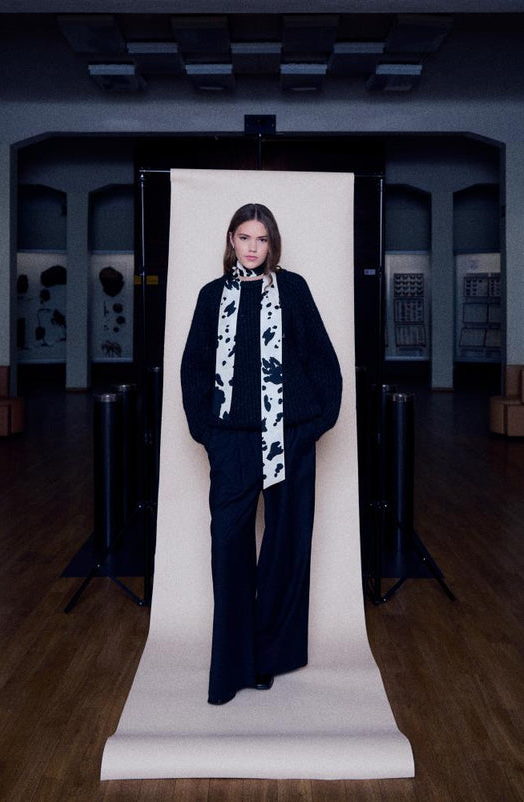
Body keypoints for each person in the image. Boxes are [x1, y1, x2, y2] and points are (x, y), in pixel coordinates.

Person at [181, 203, 342, 705]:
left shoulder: (292, 289)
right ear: (231, 240)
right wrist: (207, 432)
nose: (253, 247)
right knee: (228, 545)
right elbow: (194, 366)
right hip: (232, 439)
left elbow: (321, 357)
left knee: (285, 545)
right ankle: (234, 664)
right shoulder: (212, 296)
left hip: (288, 436)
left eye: (262, 239)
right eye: (245, 237)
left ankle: (269, 657)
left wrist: (316, 423)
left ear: (272, 244)